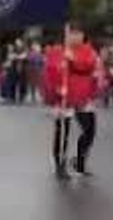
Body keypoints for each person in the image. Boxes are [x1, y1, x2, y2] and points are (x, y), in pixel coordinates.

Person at [43, 25, 100, 179]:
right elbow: (50, 72)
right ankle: (60, 164)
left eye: (79, 34)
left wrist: (73, 59)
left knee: (90, 130)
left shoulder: (88, 51)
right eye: (73, 34)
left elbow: (89, 66)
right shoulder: (56, 52)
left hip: (83, 96)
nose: (76, 37)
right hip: (64, 97)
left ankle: (80, 162)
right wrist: (55, 89)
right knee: (63, 133)